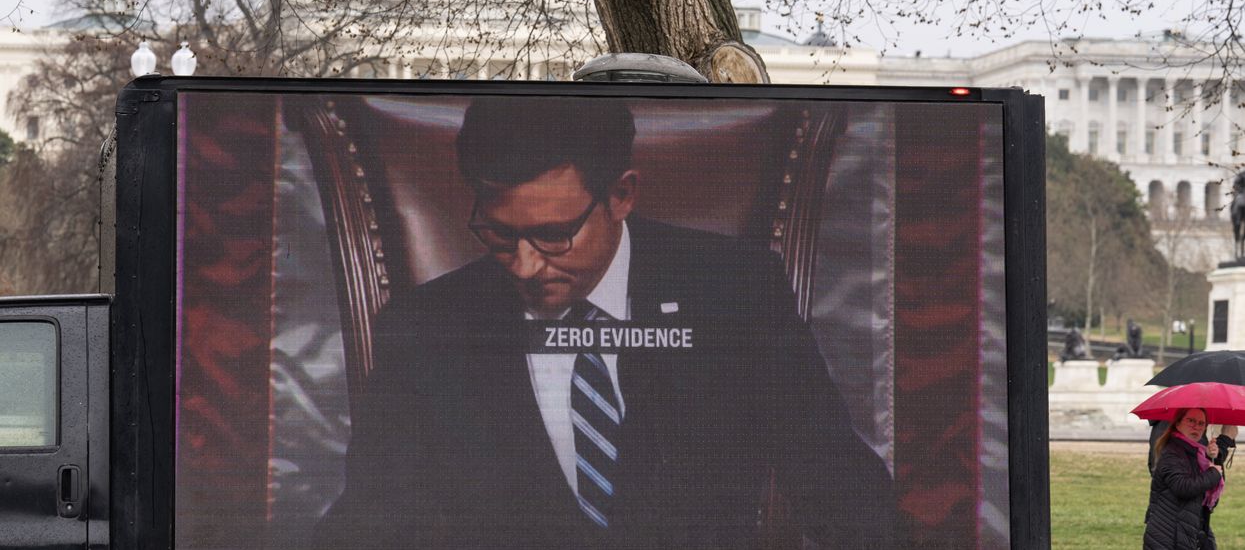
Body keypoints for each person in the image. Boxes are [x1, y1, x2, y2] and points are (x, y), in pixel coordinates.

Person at [317, 97, 896, 549]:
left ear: (621, 195)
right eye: (498, 234)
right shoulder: (426, 329)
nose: (525, 265)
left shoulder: (734, 291)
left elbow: (836, 483)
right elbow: (373, 520)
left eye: (552, 234)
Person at [1144, 408, 1226, 549]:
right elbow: (1183, 487)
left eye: (1201, 423)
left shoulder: (1195, 451)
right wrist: (1213, 473)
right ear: (1177, 423)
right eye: (1191, 421)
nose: (1196, 426)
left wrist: (1212, 457)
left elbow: (1202, 481)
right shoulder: (1171, 452)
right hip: (1168, 534)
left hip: (1188, 527)